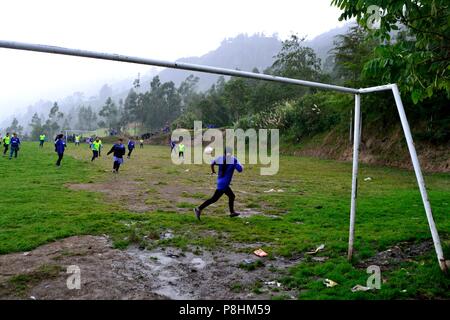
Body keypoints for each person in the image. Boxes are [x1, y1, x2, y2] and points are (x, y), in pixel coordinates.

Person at [194, 147, 243, 220]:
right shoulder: (233, 160)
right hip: (224, 184)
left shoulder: (220, 158)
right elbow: (240, 170)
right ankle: (198, 209)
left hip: (220, 182)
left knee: (232, 196)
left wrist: (213, 171)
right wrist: (239, 162)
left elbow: (212, 163)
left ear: (224, 153)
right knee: (214, 199)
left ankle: (232, 212)